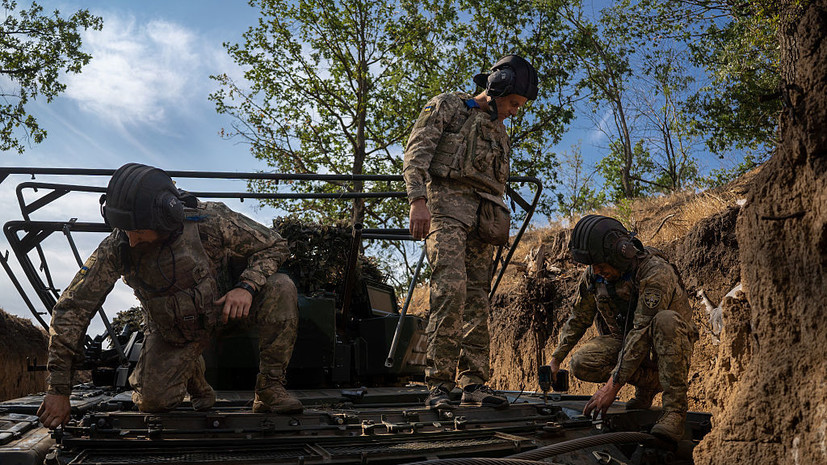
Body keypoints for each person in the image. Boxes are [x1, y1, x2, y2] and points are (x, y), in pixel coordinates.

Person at [37, 163, 302, 429]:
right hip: (174, 333)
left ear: (165, 218)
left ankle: (270, 388)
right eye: (125, 230)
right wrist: (58, 389)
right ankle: (194, 376)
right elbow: (72, 309)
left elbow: (275, 244)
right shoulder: (117, 247)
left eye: (138, 231)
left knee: (282, 287)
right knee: (153, 403)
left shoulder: (210, 221)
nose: (131, 240)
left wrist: (246, 286)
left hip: (227, 312)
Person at [403, 55, 538, 409]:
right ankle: (438, 384)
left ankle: (474, 382)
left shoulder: (500, 130)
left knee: (478, 299)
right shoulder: (448, 106)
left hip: (484, 220)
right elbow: (416, 154)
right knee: (450, 290)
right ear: (497, 88)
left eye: (519, 106)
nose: (514, 111)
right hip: (445, 211)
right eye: (513, 103)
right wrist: (418, 200)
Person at [547, 215, 698, 442]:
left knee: (666, 320)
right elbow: (579, 317)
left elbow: (641, 331)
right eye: (592, 266)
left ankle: (675, 411)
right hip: (628, 343)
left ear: (620, 253)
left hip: (665, 347)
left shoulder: (655, 271)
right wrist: (556, 358)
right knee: (582, 362)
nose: (596, 271)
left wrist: (612, 388)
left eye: (600, 265)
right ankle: (649, 386)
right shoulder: (594, 275)